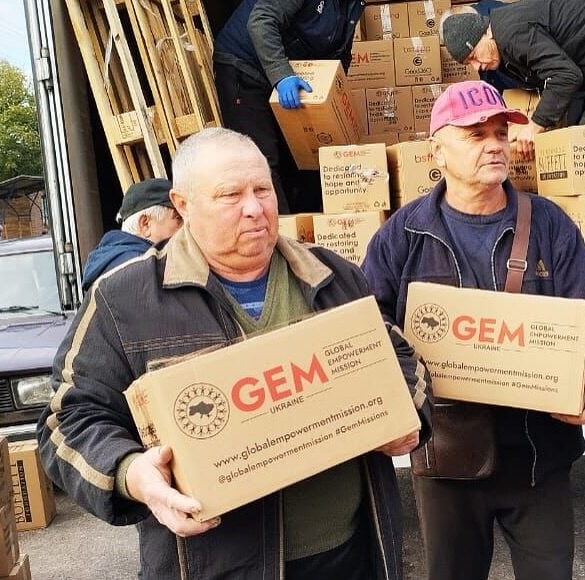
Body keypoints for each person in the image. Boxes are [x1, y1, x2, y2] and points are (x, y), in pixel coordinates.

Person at [36, 128, 433, 580]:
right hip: (216, 565)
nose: (255, 208)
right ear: (182, 205)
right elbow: (68, 422)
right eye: (230, 195)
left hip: (351, 553)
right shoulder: (123, 300)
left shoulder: (334, 276)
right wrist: (132, 474)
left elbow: (402, 358)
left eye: (262, 190)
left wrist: (406, 416)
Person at [361, 80, 585, 580]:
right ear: (436, 150)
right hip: (445, 460)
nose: (494, 145)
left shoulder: (550, 224)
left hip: (538, 458)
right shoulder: (401, 235)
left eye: (500, 133)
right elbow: (368, 331)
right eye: (475, 134)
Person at [440, 0, 585, 159]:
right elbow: (564, 77)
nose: (477, 66)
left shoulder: (511, 34)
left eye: (474, 56)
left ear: (484, 33)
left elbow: (565, 76)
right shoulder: (503, 46)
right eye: (469, 64)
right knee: (573, 139)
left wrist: (535, 126)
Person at [213, 0, 366, 214]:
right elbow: (261, 21)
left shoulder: (353, 4)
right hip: (246, 67)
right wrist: (282, 75)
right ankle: (280, 238)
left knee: (302, 156)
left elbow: (341, 51)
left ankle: (303, 231)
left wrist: (334, 92)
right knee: (261, 158)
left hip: (290, 70)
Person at [81, 178, 182, 290]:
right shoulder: (143, 270)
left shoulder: (115, 263)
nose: (185, 228)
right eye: (178, 218)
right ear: (146, 224)